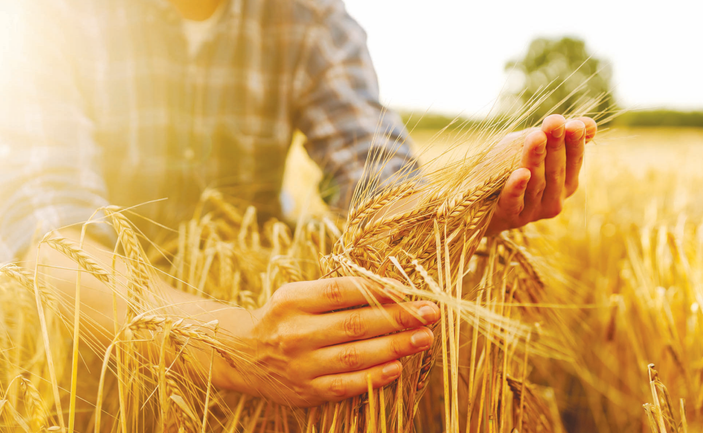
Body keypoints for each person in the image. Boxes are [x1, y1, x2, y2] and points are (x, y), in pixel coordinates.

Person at [0, 0, 597, 408]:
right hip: (80, 366)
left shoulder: (308, 17)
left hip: (250, 348)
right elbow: (48, 242)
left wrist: (466, 205)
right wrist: (235, 346)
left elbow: (375, 185)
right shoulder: (48, 17)